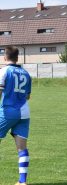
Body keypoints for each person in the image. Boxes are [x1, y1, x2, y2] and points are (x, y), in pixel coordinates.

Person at [0, 46, 32, 185]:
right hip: (24, 112)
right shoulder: (26, 73)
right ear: (17, 57)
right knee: (22, 148)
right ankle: (22, 181)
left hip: (8, 111)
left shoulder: (4, 71)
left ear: (5, 57)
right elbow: (28, 96)